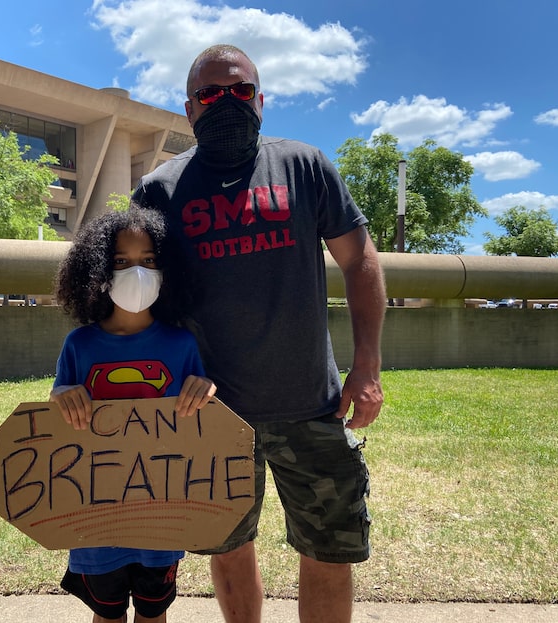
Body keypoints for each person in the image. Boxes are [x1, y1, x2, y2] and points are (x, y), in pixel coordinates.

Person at [132, 44, 387, 623]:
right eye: (211, 93)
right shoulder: (158, 191)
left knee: (328, 551)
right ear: (189, 108)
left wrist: (367, 366)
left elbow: (360, 261)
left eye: (240, 90)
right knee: (227, 548)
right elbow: (140, 298)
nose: (227, 101)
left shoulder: (304, 166)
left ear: (262, 100)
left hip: (311, 407)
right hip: (213, 413)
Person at [49, 207, 217, 623]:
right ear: (98, 268)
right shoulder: (79, 345)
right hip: (96, 520)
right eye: (122, 261)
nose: (136, 271)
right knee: (106, 616)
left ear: (167, 269)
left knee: (153, 613)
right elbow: (58, 409)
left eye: (149, 261)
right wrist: (62, 397)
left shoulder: (182, 345)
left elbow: (200, 421)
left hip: (159, 518)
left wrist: (207, 392)